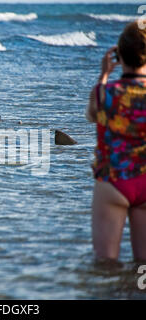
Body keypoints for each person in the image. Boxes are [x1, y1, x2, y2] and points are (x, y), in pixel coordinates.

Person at [86, 20, 146, 261]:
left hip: (113, 180)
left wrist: (104, 76)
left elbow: (92, 116)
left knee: (106, 264)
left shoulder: (104, 93)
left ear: (119, 55)